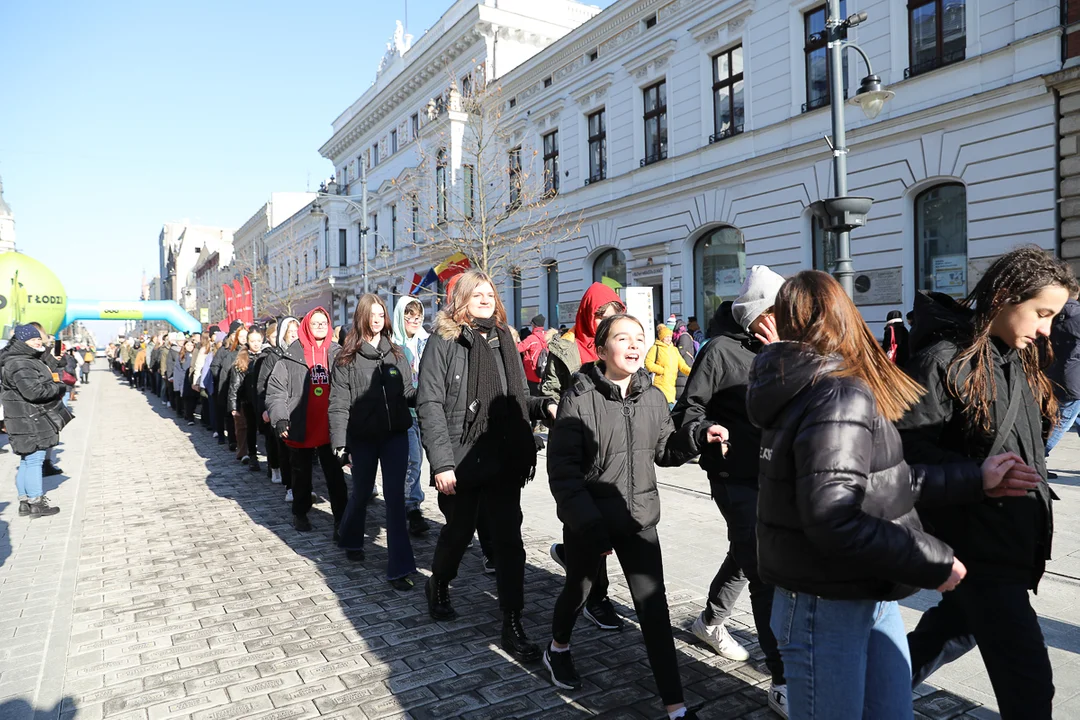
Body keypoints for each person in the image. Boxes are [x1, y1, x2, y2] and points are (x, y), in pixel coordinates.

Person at [747, 270, 1039, 720]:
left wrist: (974, 478)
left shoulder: (816, 387)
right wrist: (929, 558)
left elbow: (881, 481)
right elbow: (834, 516)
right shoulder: (835, 391)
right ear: (846, 315)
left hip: (858, 589)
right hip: (824, 602)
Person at [898, 247, 1076, 719]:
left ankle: (872, 693)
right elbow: (903, 457)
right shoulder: (943, 360)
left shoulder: (1017, 358)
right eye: (1041, 314)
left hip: (1011, 543)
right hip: (976, 550)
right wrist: (977, 477)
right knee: (1031, 687)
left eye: (1053, 317)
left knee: (953, 630)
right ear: (1004, 296)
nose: (1045, 329)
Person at [545, 313, 718, 719]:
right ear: (603, 348)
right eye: (623, 338)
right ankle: (558, 649)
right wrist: (588, 524)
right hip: (590, 524)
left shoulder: (654, 396)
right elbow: (564, 474)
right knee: (580, 590)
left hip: (639, 520)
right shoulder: (579, 397)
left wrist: (698, 437)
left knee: (654, 611)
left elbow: (666, 451)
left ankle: (676, 708)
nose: (634, 344)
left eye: (639, 337)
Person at [671, 264, 788, 716]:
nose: (788, 317)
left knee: (746, 551)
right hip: (734, 473)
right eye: (779, 310)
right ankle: (781, 680)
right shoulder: (720, 349)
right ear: (758, 313)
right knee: (762, 570)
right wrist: (706, 430)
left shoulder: (787, 348)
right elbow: (688, 409)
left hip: (779, 474)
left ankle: (710, 621)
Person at [416, 269, 548, 661]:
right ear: (460, 300)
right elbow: (430, 403)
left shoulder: (505, 337)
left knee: (509, 542)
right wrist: (441, 463)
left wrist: (545, 407)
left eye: (490, 293)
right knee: (458, 533)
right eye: (477, 294)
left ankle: (512, 620)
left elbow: (518, 395)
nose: (486, 299)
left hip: (504, 455)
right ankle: (439, 582)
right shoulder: (444, 339)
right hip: (461, 456)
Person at [540, 281, 627, 631]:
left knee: (602, 526)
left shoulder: (617, 347)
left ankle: (571, 557)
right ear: (591, 314)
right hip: (577, 451)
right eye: (604, 315)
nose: (610, 322)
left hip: (611, 450)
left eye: (616, 315)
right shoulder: (566, 348)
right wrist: (554, 409)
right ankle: (596, 598)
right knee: (586, 527)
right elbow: (549, 390)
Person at [330, 294, 418, 589]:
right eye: (373, 314)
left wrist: (428, 393)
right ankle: (351, 537)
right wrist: (340, 444)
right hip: (363, 438)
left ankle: (400, 568)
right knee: (362, 491)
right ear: (362, 317)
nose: (378, 319)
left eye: (382, 315)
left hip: (395, 436)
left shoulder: (396, 353)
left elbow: (408, 392)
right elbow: (339, 404)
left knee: (395, 499)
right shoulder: (346, 358)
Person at [267, 308, 348, 534]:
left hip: (330, 426)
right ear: (306, 326)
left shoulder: (338, 353)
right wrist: (280, 418)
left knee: (335, 475)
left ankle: (341, 519)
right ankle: (300, 512)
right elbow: (276, 392)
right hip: (301, 423)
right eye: (315, 323)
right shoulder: (292, 355)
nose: (320, 326)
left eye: (324, 322)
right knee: (301, 474)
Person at [2, 325, 73, 518]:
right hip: (30, 418)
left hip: (24, 417)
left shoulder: (21, 359)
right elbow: (32, 391)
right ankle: (36, 502)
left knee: (27, 460)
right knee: (34, 460)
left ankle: (25, 502)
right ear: (22, 342)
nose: (38, 343)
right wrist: (57, 387)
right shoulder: (21, 363)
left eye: (39, 339)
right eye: (34, 340)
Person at [391, 296, 431, 536]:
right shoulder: (393, 346)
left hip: (426, 409)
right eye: (409, 316)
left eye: (418, 317)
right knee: (412, 460)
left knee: (426, 460)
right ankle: (412, 506)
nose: (414, 321)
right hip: (404, 412)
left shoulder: (426, 342)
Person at [1044, 287, 1080, 475]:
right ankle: (1036, 459)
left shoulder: (1052, 315)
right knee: (1061, 422)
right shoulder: (1078, 315)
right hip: (1075, 381)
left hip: (1055, 374)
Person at [259, 318, 297, 495]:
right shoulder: (273, 357)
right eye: (291, 333)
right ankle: (290, 486)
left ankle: (303, 488)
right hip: (281, 410)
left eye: (298, 332)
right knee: (285, 450)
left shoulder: (304, 354)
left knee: (301, 453)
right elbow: (262, 386)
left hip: (300, 409)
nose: (295, 336)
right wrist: (265, 409)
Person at [229, 329, 263, 467]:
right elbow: (234, 385)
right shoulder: (242, 358)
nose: (256, 344)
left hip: (263, 400)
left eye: (258, 341)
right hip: (248, 401)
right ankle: (252, 456)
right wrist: (234, 406)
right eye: (252, 341)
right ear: (248, 342)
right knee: (251, 428)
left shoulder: (266, 356)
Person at [645, 324, 691, 409]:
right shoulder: (655, 348)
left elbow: (682, 365)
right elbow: (648, 363)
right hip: (659, 385)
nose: (669, 339)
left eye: (670, 336)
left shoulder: (674, 350)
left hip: (671, 387)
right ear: (661, 337)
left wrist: (692, 372)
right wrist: (662, 370)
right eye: (666, 337)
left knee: (669, 409)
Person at [517, 314, 549, 396]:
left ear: (534, 325)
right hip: (545, 374)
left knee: (533, 400)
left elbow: (518, 349)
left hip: (532, 375)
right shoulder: (548, 337)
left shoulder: (531, 339)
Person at [671, 323, 697, 402]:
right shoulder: (682, 336)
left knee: (682, 385)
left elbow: (681, 351)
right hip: (683, 366)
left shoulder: (683, 336)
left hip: (684, 366)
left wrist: (672, 354)